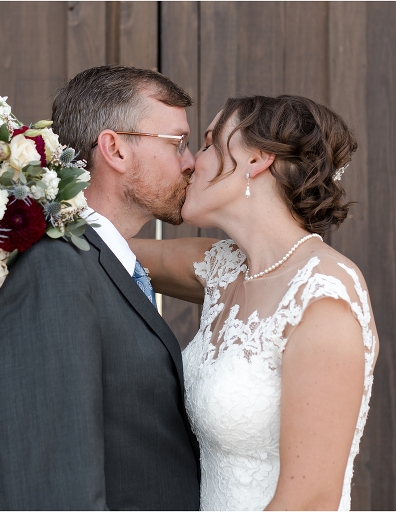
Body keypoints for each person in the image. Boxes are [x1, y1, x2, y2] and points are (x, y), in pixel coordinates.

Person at [0, 65, 201, 509]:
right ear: (115, 149)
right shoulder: (51, 269)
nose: (190, 161)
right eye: (178, 144)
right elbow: (55, 488)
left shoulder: (99, 262)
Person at [130, 95, 378, 510]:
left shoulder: (322, 295)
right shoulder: (223, 268)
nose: (191, 162)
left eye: (208, 144)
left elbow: (311, 499)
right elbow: (104, 247)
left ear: (257, 159)